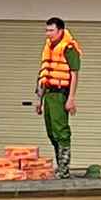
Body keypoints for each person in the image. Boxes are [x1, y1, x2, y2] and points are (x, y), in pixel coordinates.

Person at [35, 17, 81, 179]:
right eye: (46, 30)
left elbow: (74, 74)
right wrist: (39, 100)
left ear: (60, 31)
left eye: (51, 30)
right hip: (48, 94)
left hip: (61, 93)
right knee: (51, 132)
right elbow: (43, 73)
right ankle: (60, 165)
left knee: (61, 131)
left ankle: (64, 170)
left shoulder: (69, 48)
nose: (48, 34)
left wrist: (71, 98)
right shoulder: (48, 47)